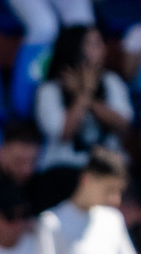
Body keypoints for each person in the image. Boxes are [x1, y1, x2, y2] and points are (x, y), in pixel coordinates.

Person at [34, 24, 135, 170]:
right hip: (64, 166)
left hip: (108, 165)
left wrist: (86, 95)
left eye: (100, 43)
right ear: (74, 48)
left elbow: (123, 125)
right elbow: (64, 133)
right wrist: (83, 95)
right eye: (92, 44)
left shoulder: (111, 81)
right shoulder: (49, 89)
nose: (102, 49)